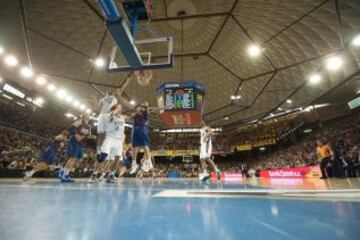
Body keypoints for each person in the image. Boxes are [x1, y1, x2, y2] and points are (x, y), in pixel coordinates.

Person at [89, 104, 128, 183]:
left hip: (119, 141)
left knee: (117, 159)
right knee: (102, 158)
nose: (120, 109)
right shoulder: (110, 116)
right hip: (110, 138)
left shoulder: (122, 118)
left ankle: (110, 175)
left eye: (120, 108)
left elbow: (127, 118)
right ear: (114, 109)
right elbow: (111, 116)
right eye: (118, 107)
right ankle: (94, 174)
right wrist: (115, 110)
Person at [94, 77, 131, 157]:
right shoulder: (103, 99)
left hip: (109, 116)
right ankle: (98, 151)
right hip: (101, 117)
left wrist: (126, 82)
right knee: (100, 135)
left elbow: (120, 90)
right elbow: (98, 107)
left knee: (106, 135)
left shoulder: (114, 97)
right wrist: (95, 101)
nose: (109, 91)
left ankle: (108, 151)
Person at [58, 115, 95, 182]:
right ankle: (64, 174)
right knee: (73, 157)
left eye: (89, 115)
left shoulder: (89, 126)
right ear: (84, 116)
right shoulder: (80, 122)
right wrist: (76, 134)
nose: (88, 116)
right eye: (86, 115)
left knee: (79, 159)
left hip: (81, 143)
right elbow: (70, 128)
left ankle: (64, 172)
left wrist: (93, 136)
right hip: (74, 141)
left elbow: (88, 135)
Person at [130, 102, 159, 175]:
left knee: (145, 145)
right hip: (135, 130)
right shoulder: (137, 111)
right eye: (143, 103)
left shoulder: (145, 110)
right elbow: (131, 116)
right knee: (134, 147)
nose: (144, 103)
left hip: (142, 129)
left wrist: (164, 107)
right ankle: (134, 163)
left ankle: (148, 162)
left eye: (146, 103)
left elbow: (155, 108)